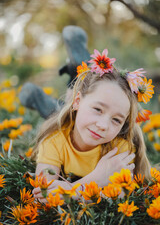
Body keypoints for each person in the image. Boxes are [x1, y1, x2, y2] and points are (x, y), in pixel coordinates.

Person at [32, 48, 153, 202]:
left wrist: (70, 192)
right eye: (98, 109)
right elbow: (42, 194)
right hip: (70, 112)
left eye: (116, 120)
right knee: (58, 110)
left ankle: (75, 75)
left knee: (66, 108)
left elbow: (122, 194)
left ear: (124, 124)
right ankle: (54, 87)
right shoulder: (54, 140)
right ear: (78, 102)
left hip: (79, 114)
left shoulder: (119, 149)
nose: (103, 125)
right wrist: (96, 179)